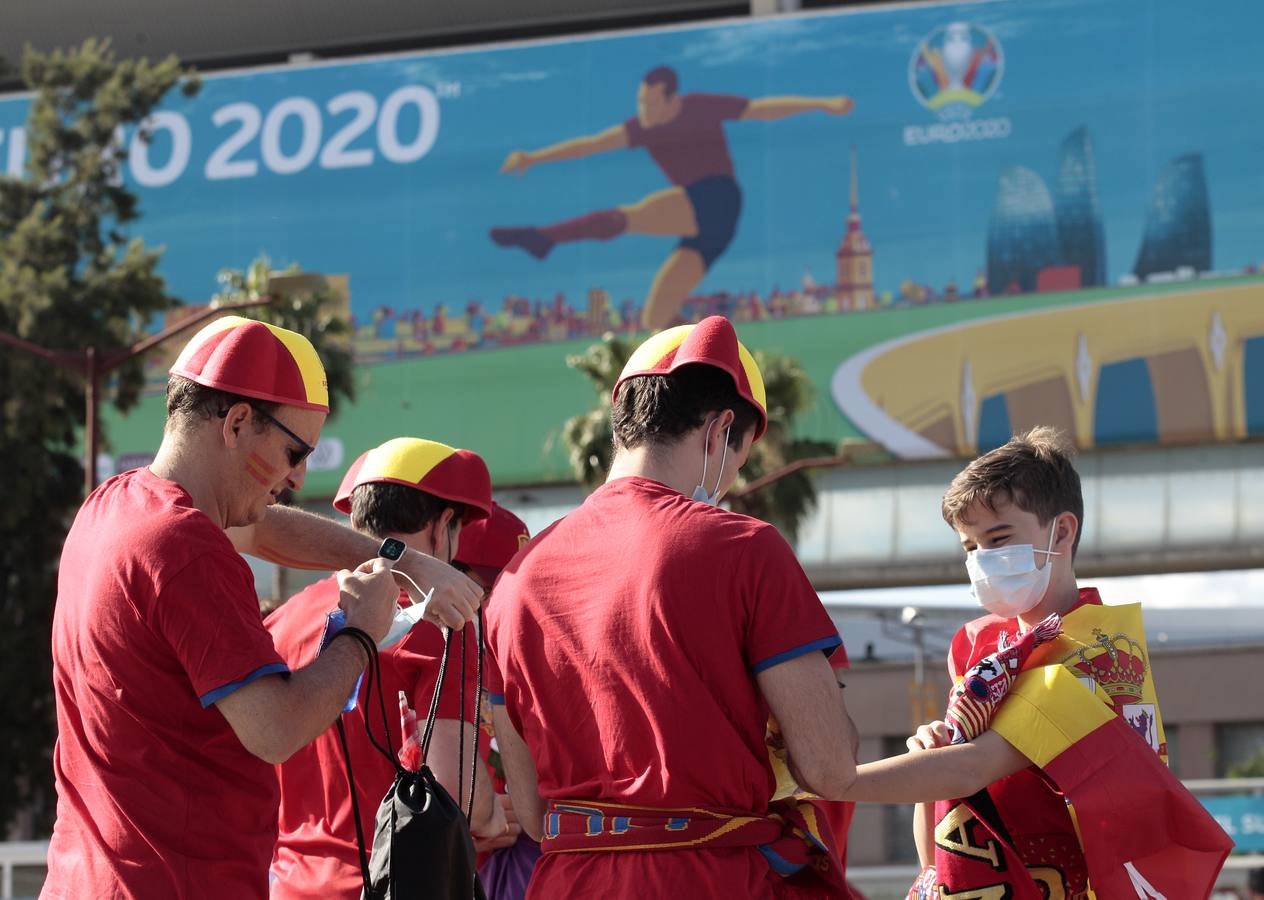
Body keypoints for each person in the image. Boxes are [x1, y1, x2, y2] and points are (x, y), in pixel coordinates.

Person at [42, 317, 462, 899]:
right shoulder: (186, 548)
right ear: (237, 422)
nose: (297, 476)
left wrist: (402, 558)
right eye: (295, 451)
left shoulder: (115, 507)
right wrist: (361, 634)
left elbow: (262, 530)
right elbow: (275, 728)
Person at [484, 315, 859, 898]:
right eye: (739, 462)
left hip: (567, 881)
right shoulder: (743, 546)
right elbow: (830, 766)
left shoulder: (514, 579)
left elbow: (532, 812)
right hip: (711, 878)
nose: (731, 483)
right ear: (720, 428)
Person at [842, 427, 1232, 898]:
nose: (983, 559)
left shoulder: (1098, 654)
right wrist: (928, 766)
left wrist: (831, 780)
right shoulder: (978, 647)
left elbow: (970, 770)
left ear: (1062, 531)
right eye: (970, 547)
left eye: (999, 537)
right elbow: (938, 856)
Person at [265, 437, 509, 899]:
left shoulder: (282, 622)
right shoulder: (439, 627)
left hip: (287, 886)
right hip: (389, 885)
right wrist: (496, 816)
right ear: (442, 526)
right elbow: (457, 792)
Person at [490, 66, 854, 330]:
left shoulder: (699, 107)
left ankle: (544, 238)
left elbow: (763, 108)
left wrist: (823, 103)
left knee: (632, 216)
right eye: (640, 102)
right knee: (656, 318)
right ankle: (702, 366)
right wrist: (533, 157)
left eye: (650, 103)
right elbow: (591, 144)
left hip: (719, 197)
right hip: (708, 233)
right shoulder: (641, 128)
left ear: (671, 99)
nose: (643, 111)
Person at [451, 503, 540, 900]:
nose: (508, 604)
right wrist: (462, 828)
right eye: (492, 590)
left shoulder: (524, 661)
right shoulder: (407, 655)